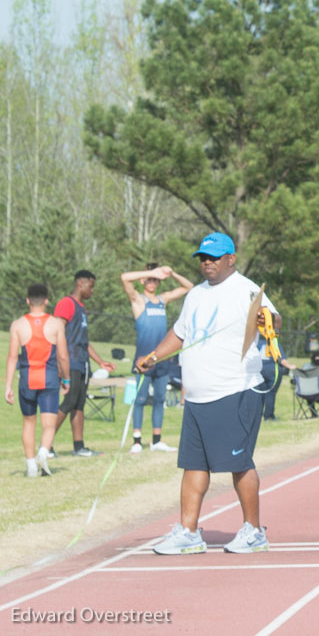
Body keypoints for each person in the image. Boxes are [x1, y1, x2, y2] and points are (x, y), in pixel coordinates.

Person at [139, 232, 276, 555]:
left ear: (231, 259)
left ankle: (254, 531)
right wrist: (154, 356)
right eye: (202, 257)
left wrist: (267, 319)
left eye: (214, 257)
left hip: (236, 390)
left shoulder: (246, 289)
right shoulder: (195, 295)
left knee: (239, 463)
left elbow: (273, 318)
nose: (207, 263)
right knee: (194, 464)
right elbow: (180, 334)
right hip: (198, 396)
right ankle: (188, 532)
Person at [120, 263, 194, 454]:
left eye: (156, 280)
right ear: (144, 280)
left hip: (161, 359)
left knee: (160, 399)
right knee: (141, 399)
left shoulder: (162, 299)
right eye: (149, 280)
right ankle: (137, 441)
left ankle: (156, 440)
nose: (153, 282)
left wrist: (173, 273)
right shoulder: (138, 300)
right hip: (143, 360)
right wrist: (150, 272)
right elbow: (125, 277)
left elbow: (189, 288)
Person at [5, 284, 69, 477]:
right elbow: (63, 357)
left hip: (27, 380)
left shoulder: (17, 325)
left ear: (27, 301)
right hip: (49, 380)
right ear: (47, 301)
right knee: (49, 424)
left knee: (28, 423)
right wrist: (66, 378)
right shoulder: (56, 324)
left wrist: (8, 385)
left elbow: (12, 357)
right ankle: (43, 451)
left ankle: (31, 466)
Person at [50, 270, 116, 458]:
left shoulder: (82, 308)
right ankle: (46, 446)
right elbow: (56, 332)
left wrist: (100, 361)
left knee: (79, 404)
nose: (92, 290)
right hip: (69, 362)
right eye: (91, 286)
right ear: (81, 284)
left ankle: (79, 446)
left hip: (82, 364)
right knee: (69, 401)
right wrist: (60, 366)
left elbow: (84, 342)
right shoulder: (66, 304)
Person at [261, 346, 297, 421]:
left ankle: (258, 415)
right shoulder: (274, 342)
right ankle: (268, 416)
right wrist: (290, 366)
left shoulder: (257, 342)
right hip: (273, 371)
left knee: (261, 395)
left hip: (260, 372)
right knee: (271, 394)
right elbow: (281, 359)